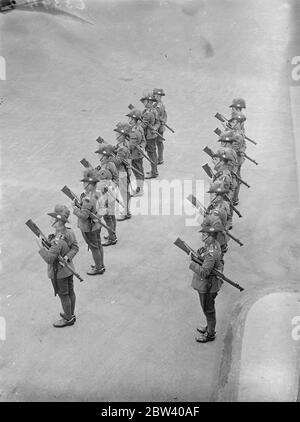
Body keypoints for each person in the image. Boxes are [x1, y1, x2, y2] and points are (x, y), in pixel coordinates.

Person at [37, 204, 79, 328]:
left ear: (58, 222)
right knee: (70, 292)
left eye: (53, 218)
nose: (51, 220)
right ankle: (70, 313)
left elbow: (49, 259)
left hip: (59, 273)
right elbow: (75, 247)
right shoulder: (69, 232)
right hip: (69, 270)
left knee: (63, 295)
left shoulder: (57, 241)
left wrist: (40, 247)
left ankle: (68, 318)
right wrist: (67, 257)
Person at [188, 214, 224, 343]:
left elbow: (204, 272)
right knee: (208, 309)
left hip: (208, 286)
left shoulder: (211, 253)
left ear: (210, 237)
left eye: (204, 235)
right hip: (208, 285)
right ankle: (209, 327)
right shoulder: (212, 246)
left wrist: (192, 263)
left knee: (208, 310)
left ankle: (210, 334)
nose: (202, 236)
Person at [72, 169, 105, 275]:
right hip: (97, 225)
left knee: (94, 247)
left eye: (85, 182)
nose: (83, 184)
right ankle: (100, 264)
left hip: (88, 227)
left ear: (90, 184)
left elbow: (84, 216)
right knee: (98, 245)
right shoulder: (97, 192)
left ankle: (98, 267)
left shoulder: (87, 199)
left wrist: (75, 208)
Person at [113, 123, 133, 221]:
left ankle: (126, 213)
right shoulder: (122, 145)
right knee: (124, 192)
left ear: (123, 136)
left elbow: (117, 162)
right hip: (123, 171)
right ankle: (126, 210)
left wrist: (110, 157)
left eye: (118, 134)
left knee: (124, 192)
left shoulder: (122, 148)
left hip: (122, 173)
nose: (116, 136)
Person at [126, 108, 146, 196]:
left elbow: (131, 145)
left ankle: (140, 190)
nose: (129, 120)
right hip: (138, 154)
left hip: (135, 155)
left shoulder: (135, 131)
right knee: (139, 171)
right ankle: (139, 188)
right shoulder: (139, 128)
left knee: (138, 172)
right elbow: (144, 141)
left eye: (130, 118)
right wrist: (141, 146)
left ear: (135, 120)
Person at [140, 92, 160, 179]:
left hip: (148, 136)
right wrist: (155, 128)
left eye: (144, 101)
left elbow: (143, 125)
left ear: (149, 102)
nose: (143, 103)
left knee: (151, 155)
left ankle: (154, 172)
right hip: (152, 136)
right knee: (153, 154)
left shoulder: (148, 113)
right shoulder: (153, 110)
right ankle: (154, 170)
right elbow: (157, 122)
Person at [97, 168, 118, 246]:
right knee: (112, 218)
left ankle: (112, 238)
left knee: (108, 220)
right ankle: (113, 234)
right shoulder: (110, 182)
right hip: (112, 200)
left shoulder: (101, 184)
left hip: (106, 202)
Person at [152, 88, 167, 165]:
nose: (155, 97)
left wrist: (163, 121)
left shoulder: (160, 105)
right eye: (155, 95)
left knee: (159, 143)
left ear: (160, 96)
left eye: (157, 96)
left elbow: (164, 115)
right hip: (158, 126)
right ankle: (159, 158)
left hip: (159, 127)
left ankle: (160, 158)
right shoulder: (156, 104)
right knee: (158, 143)